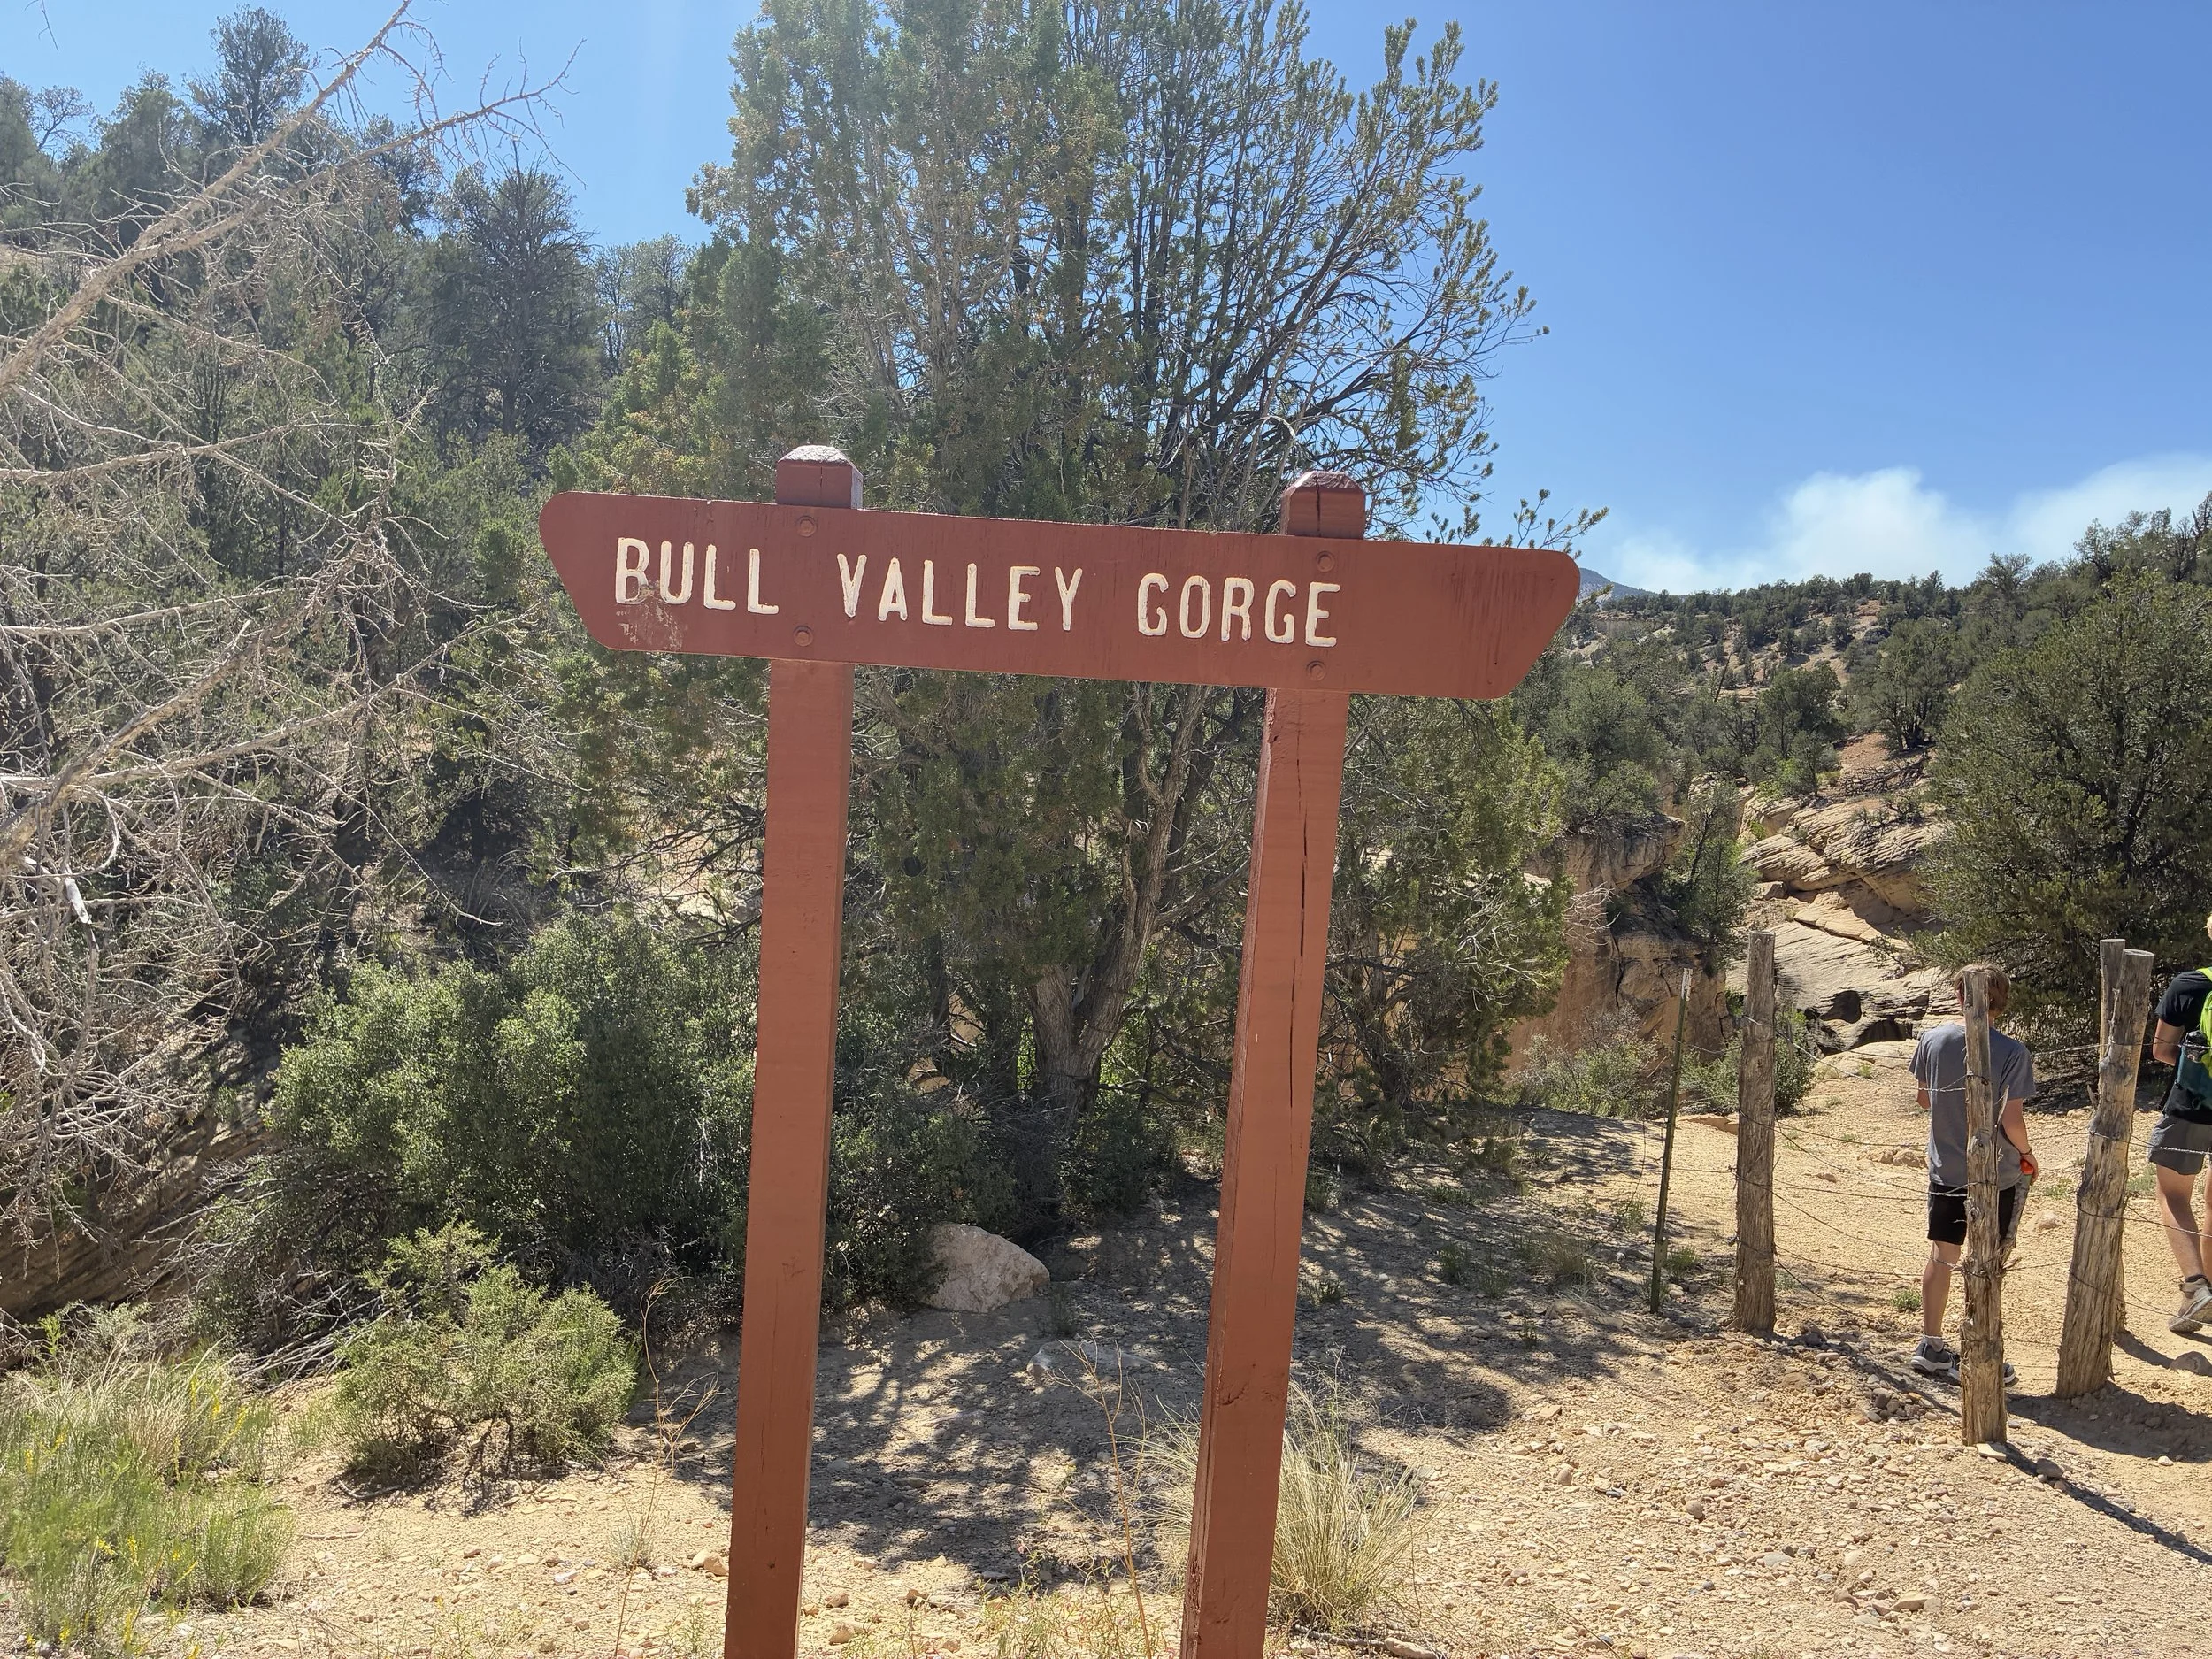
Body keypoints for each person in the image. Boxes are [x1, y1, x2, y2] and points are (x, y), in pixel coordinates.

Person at [1907, 964, 2035, 1380]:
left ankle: (1931, 1344)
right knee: (1988, 1259)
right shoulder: (2013, 1052)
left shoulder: (1933, 1039)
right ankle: (1982, 1349)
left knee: (1943, 1254)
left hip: (1947, 1168)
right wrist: (2028, 1154)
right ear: (2002, 1001)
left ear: (1960, 995)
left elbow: (1925, 1100)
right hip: (1997, 1173)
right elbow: (2011, 1119)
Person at [2147, 919, 2212, 1333]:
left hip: (2191, 1107)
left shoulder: (2189, 985)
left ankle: (2195, 1289)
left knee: (2172, 1195)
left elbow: (2162, 1050)